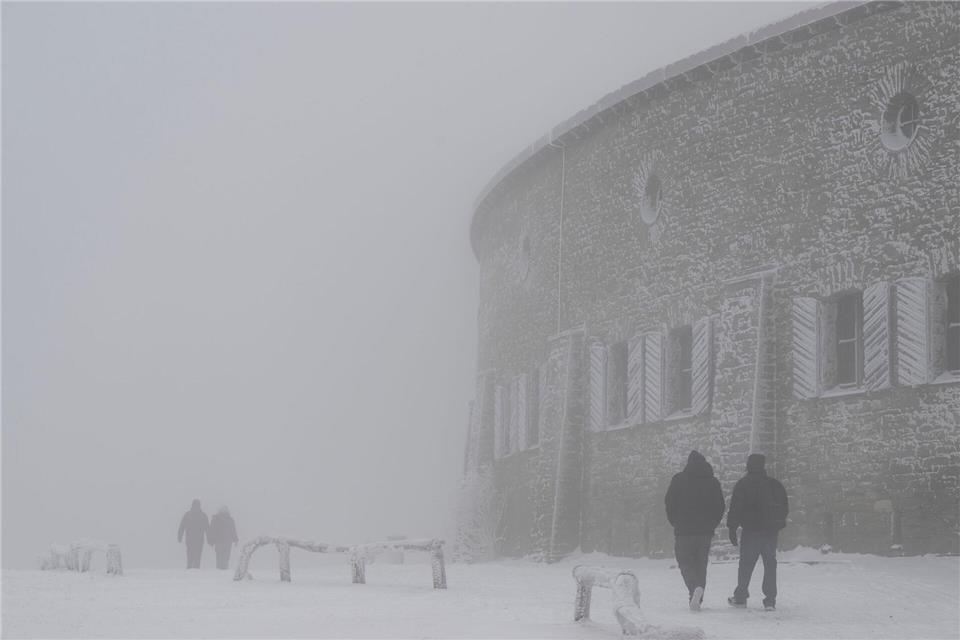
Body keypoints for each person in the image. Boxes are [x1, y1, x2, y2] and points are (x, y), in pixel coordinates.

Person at [664, 450, 726, 611]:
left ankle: (693, 589)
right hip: (705, 531)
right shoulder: (713, 482)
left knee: (684, 561)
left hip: (684, 529)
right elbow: (720, 506)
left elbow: (669, 503)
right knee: (701, 563)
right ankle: (697, 596)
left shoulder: (678, 480)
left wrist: (675, 522)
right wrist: (712, 524)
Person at [726, 453, 788, 611]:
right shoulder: (774, 485)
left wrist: (732, 528)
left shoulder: (743, 484)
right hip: (769, 532)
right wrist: (777, 526)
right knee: (770, 564)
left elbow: (735, 508)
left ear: (748, 465)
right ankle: (770, 600)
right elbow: (784, 507)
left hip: (751, 530)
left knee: (746, 564)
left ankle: (740, 597)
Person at [177, 499, 209, 569]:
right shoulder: (203, 515)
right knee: (198, 555)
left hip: (189, 539)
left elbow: (182, 526)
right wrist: (209, 540)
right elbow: (207, 529)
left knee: (190, 554)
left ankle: (189, 567)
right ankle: (196, 568)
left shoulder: (188, 514)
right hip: (199, 540)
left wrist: (180, 537)